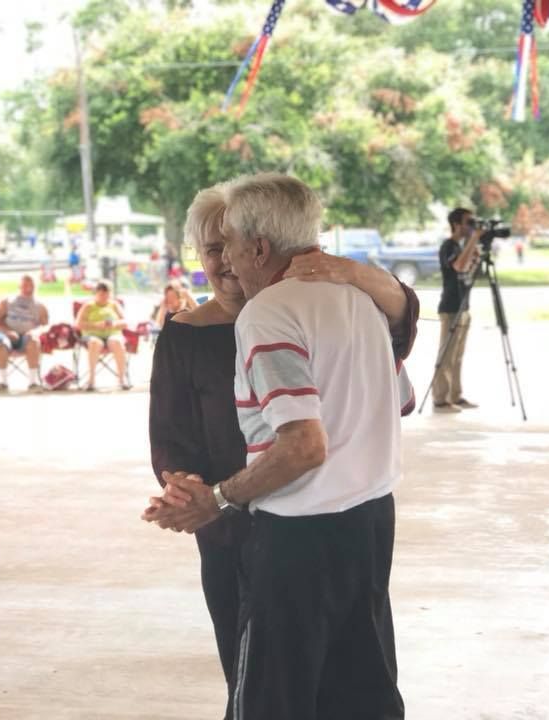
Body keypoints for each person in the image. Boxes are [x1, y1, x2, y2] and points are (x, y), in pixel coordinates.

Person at [145, 174, 418, 720]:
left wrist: (219, 497)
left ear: (258, 246)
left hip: (289, 528)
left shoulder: (268, 313)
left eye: (232, 244)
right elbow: (398, 398)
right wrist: (189, 493)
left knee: (271, 695)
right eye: (211, 248)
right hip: (344, 523)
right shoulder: (357, 306)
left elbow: (303, 446)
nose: (225, 261)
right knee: (361, 683)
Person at [434, 207, 481, 413]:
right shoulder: (449, 246)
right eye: (468, 222)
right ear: (456, 224)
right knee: (446, 355)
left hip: (464, 307)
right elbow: (459, 267)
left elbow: (469, 270)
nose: (471, 226)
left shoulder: (463, 247)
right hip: (451, 307)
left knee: (458, 356)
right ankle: (440, 399)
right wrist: (474, 239)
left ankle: (455, 395)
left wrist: (475, 251)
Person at [0, 274, 48, 392]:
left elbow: (45, 325)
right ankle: (3, 382)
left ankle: (32, 382)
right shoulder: (7, 301)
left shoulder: (40, 306)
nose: (28, 288)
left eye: (31, 285)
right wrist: (7, 331)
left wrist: (34, 331)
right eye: (25, 285)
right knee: (0, 342)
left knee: (34, 341)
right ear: (19, 287)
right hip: (4, 334)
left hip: (26, 337)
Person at [76, 280, 130, 391]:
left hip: (112, 334)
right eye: (101, 294)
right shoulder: (88, 306)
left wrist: (113, 324)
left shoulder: (114, 305)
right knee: (95, 343)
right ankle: (91, 380)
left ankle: (121, 379)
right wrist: (96, 325)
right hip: (92, 334)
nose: (104, 296)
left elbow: (125, 322)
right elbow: (79, 324)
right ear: (96, 293)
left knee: (117, 342)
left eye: (107, 294)